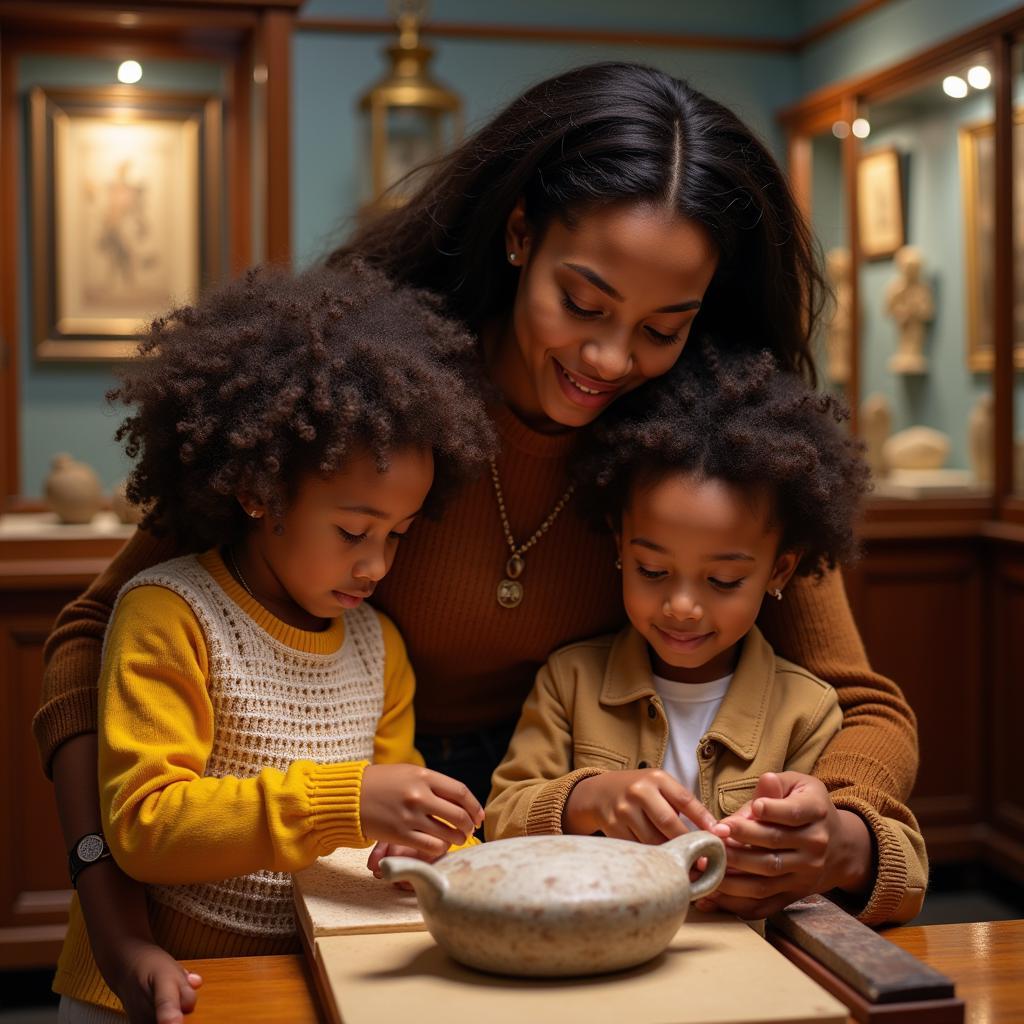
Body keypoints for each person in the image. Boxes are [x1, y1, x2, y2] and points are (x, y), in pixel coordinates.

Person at [34, 62, 918, 1021]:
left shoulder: (707, 447)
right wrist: (107, 895)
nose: (611, 360)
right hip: (296, 846)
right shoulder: (364, 395)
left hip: (513, 844)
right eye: (581, 305)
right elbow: (92, 639)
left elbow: (863, 705)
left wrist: (838, 828)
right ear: (519, 233)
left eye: (664, 326)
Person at [54, 263, 493, 1022]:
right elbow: (144, 827)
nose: (377, 563)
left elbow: (392, 808)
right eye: (354, 530)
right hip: (160, 986)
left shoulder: (378, 647)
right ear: (258, 492)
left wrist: (423, 848)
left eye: (397, 535)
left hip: (303, 977)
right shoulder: (171, 615)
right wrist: (347, 800)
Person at [487, 344, 927, 924]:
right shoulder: (571, 680)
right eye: (652, 571)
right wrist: (585, 799)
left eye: (722, 580)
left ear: (780, 572)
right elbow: (500, 817)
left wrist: (832, 851)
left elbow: (908, 876)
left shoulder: (808, 709)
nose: (683, 606)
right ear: (619, 544)